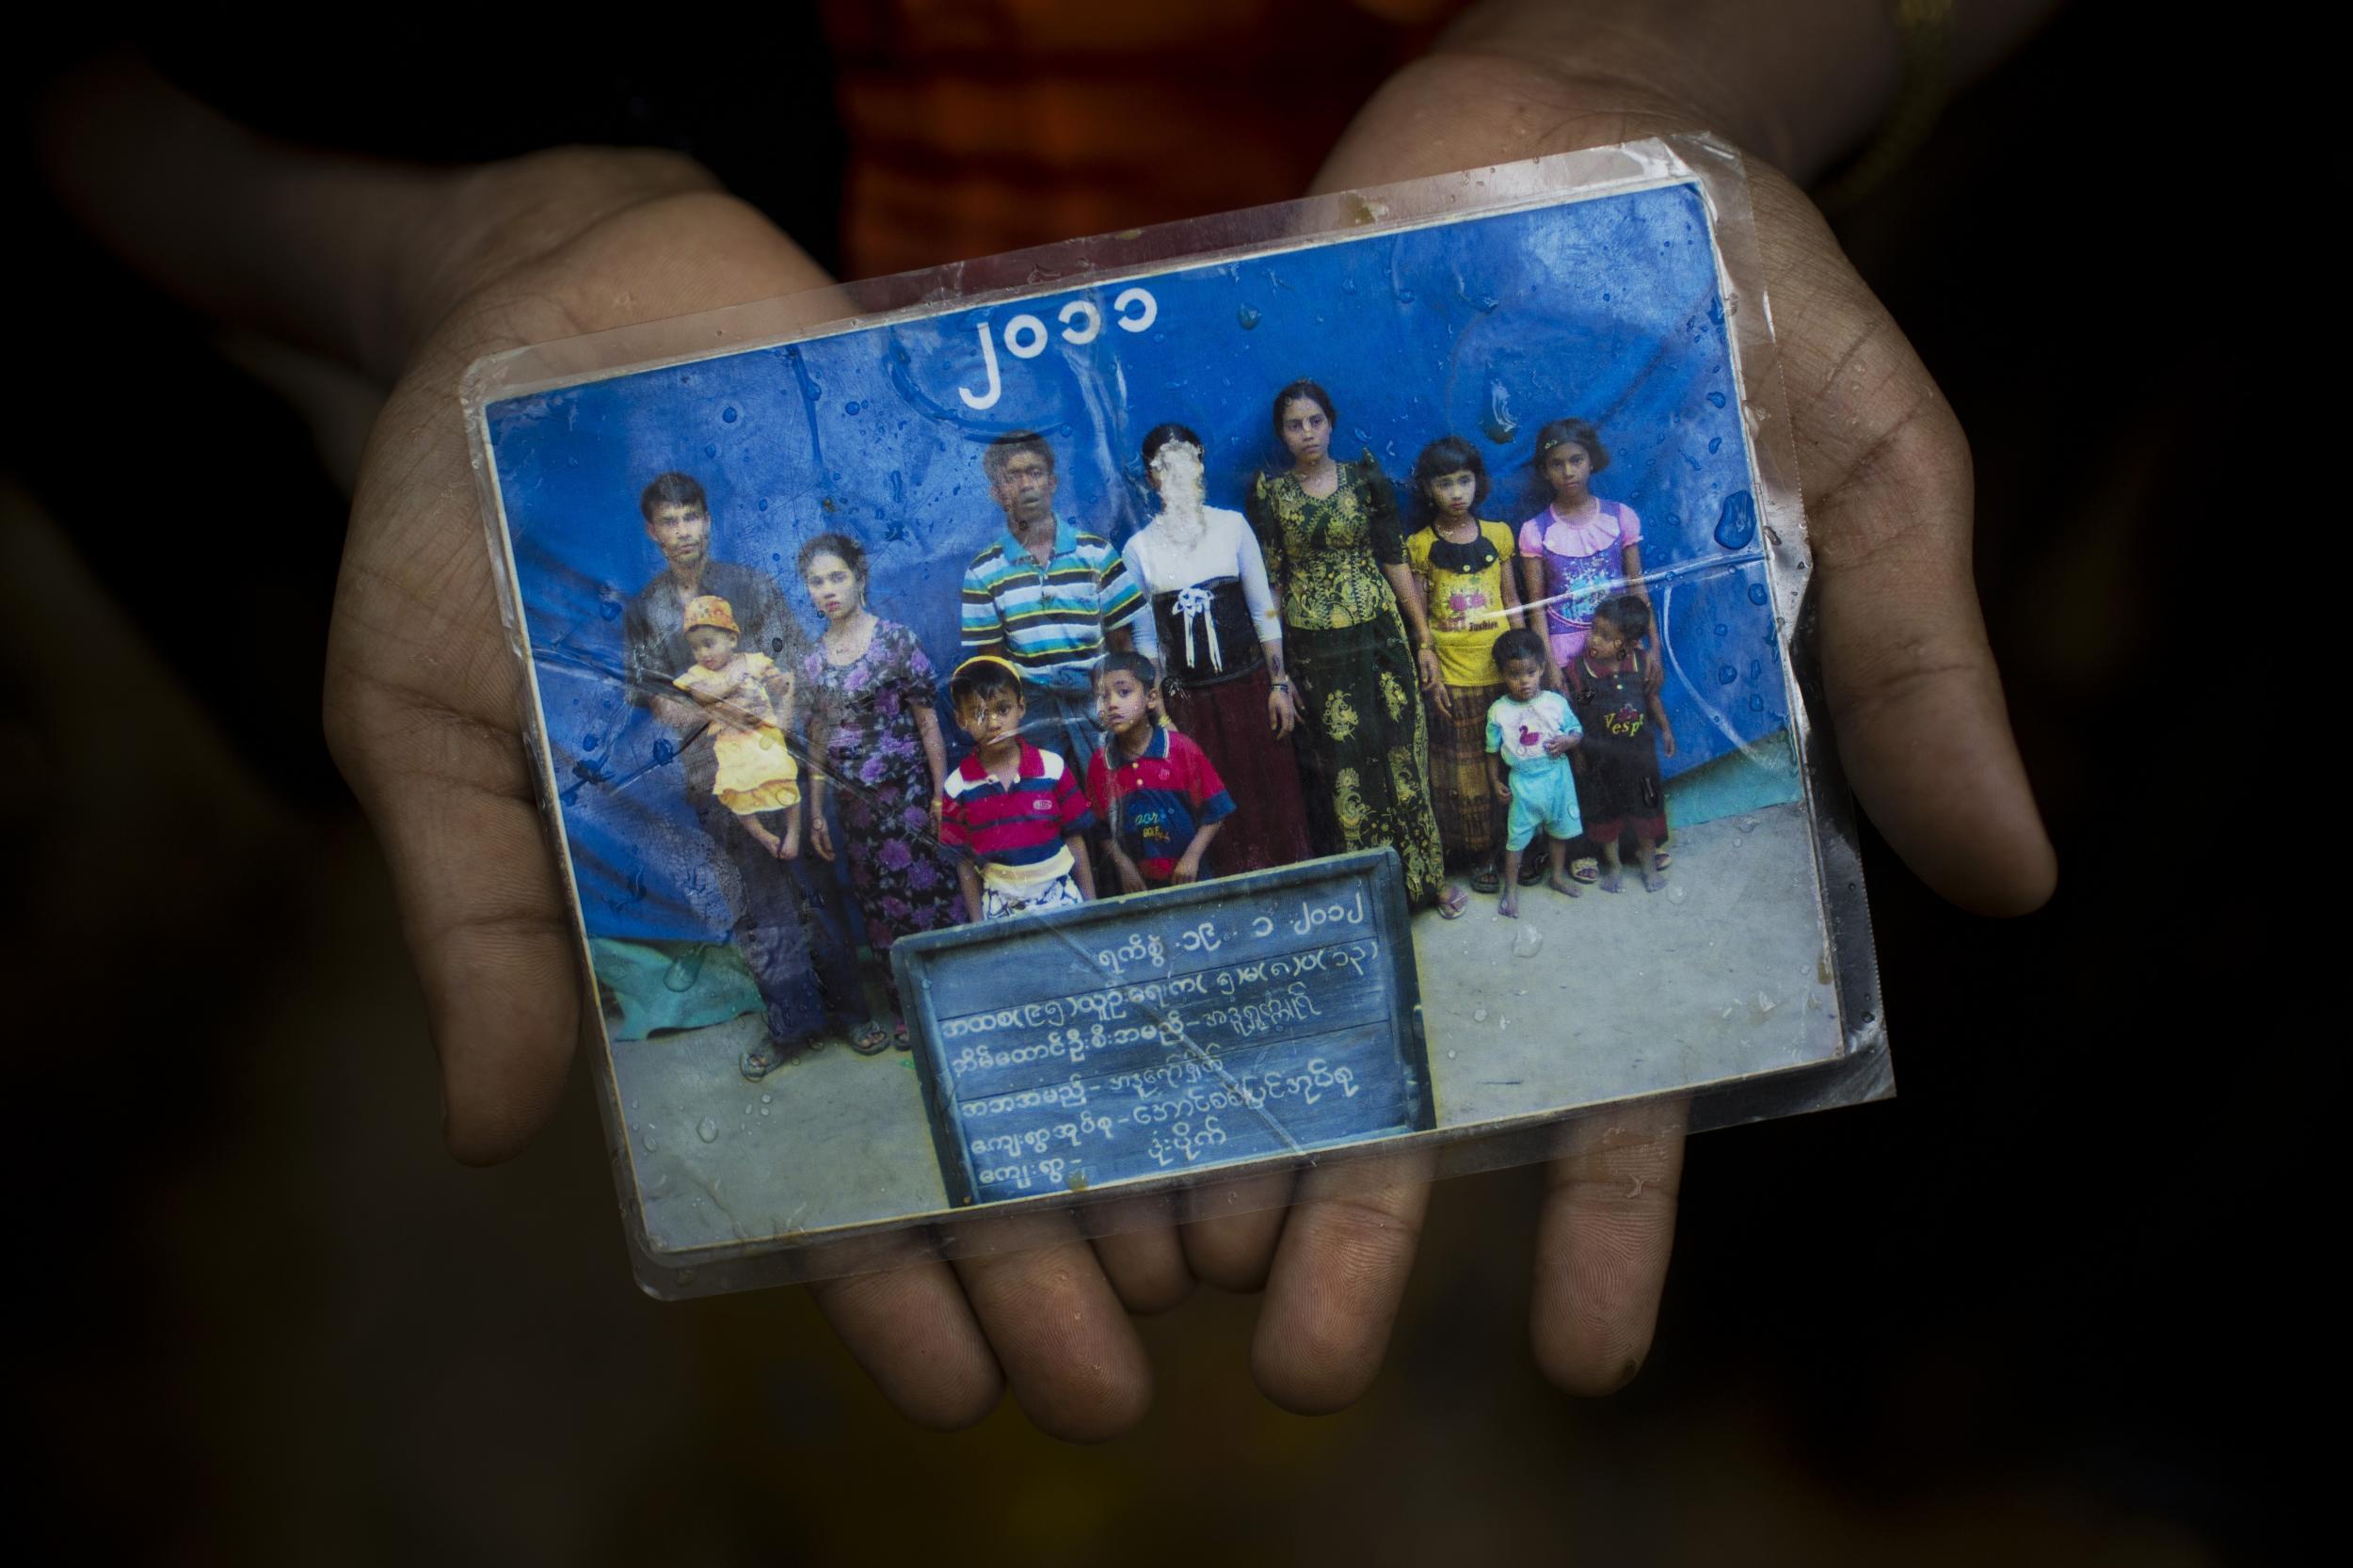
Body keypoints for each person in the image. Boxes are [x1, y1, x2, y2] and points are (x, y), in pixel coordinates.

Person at [53, 0, 2067, 1440]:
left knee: (1313, 807)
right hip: (783, 284)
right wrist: (465, 235)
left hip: (1276, 615)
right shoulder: (972, 586)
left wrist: (1678, 59)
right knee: (929, 894)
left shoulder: (1237, 527)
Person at [619, 473, 854, 1080]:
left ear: (707, 520)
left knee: (817, 890)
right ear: (651, 532)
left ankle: (852, 1011)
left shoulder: (751, 588)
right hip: (716, 781)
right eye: (669, 522)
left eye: (691, 516)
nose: (682, 531)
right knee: (758, 907)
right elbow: (654, 700)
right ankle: (792, 1025)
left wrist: (769, 724)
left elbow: (794, 672)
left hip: (782, 766)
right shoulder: (646, 610)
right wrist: (716, 707)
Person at [1244, 380, 1461, 917]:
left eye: (1315, 421)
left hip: (1380, 637)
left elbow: (1393, 560)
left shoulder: (1363, 479)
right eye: (1294, 425)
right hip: (1315, 653)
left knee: (1401, 752)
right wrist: (1277, 673)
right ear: (1281, 434)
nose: (1307, 433)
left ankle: (1426, 880)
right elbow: (1270, 583)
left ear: (1331, 423)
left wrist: (1424, 641)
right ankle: (1371, 895)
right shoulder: (1271, 496)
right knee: (1343, 767)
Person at [797, 534, 965, 1052]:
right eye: (816, 582)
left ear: (860, 578)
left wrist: (940, 796)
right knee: (880, 908)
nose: (828, 590)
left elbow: (929, 724)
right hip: (856, 813)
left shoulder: (896, 641)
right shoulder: (811, 663)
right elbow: (817, 742)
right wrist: (819, 814)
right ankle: (905, 1011)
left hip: (912, 798)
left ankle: (956, 1001)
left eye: (837, 577)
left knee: (934, 897)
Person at [1120, 423, 1311, 875]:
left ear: (1201, 465)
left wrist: (1279, 684)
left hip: (1250, 690)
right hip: (1189, 704)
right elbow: (1147, 642)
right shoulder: (1139, 549)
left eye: (1187, 462)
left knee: (1271, 793)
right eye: (1165, 468)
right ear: (1150, 478)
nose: (1178, 475)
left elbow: (1265, 611)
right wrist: (1160, 713)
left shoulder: (1231, 527)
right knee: (1208, 806)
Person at [1515, 418, 1662, 885]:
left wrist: (1651, 645)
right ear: (1545, 471)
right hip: (1566, 653)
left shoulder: (1620, 518)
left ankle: (1642, 841)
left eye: (1576, 460)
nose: (1569, 471)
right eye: (1557, 464)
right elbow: (1537, 605)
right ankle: (1583, 848)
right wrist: (1549, 667)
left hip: (1619, 649)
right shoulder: (1536, 531)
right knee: (1580, 754)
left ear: (1591, 461)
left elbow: (1636, 587)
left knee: (1630, 746)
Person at [959, 431, 1143, 774]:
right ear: (997, 493)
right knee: (1053, 803)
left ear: (1052, 482)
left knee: (1116, 795)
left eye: (1035, 472)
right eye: (1012, 477)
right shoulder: (984, 571)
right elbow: (992, 665)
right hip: (1035, 714)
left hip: (1099, 703)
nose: (1027, 484)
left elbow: (1124, 644)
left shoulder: (1096, 553)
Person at [1406, 436, 1527, 898]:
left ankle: (1520, 848)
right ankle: (1479, 855)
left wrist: (1524, 654)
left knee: (1516, 764)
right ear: (1428, 489)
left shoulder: (1498, 535)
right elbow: (1419, 617)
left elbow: (1513, 600)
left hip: (1504, 676)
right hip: (1454, 679)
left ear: (1479, 482)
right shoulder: (1418, 546)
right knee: (1468, 774)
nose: (1456, 492)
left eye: (1464, 480)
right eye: (1444, 483)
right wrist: (1428, 657)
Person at [938, 655, 1098, 922]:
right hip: (1000, 907)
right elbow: (964, 861)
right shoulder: (957, 787)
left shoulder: (1052, 768)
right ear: (961, 719)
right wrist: (979, 925)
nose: (993, 723)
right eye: (978, 713)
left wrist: (1091, 905)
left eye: (1002, 709)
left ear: (1021, 708)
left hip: (1060, 897)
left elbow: (1074, 839)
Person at [1087, 650, 1235, 892]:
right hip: (1139, 883)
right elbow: (1101, 827)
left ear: (1151, 698)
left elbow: (1216, 811)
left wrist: (1192, 858)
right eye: (1102, 697)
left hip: (1190, 875)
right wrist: (1124, 866)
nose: (1112, 703)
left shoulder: (1180, 749)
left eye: (1124, 692)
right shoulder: (1101, 763)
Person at [670, 595, 800, 861]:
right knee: (736, 793)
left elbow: (775, 678)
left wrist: (779, 684)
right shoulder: (698, 675)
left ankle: (794, 832)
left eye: (709, 644)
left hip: (765, 739)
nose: (703, 654)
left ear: (732, 639)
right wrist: (732, 684)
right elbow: (702, 695)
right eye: (696, 648)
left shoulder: (751, 662)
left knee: (785, 778)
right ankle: (761, 834)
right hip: (733, 746)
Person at [1563, 595, 1677, 893]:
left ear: (1625, 643)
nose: (1594, 640)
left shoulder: (1640, 664)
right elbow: (1580, 707)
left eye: (1605, 636)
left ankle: (1649, 866)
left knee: (1647, 813)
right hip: (1601, 760)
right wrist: (1579, 753)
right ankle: (1613, 868)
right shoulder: (1581, 671)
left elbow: (1650, 698)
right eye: (1593, 631)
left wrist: (1665, 729)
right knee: (1606, 815)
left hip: (1641, 760)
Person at [1484, 628, 1586, 919]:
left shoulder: (1555, 703)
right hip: (1522, 783)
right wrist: (1495, 782)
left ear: (1541, 668)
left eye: (1530, 672)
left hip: (1556, 777)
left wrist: (1568, 742)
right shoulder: (1498, 711)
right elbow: (1491, 751)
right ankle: (1511, 890)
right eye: (1514, 675)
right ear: (1503, 675)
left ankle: (1556, 875)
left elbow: (1576, 731)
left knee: (1559, 830)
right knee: (1515, 839)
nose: (1524, 681)